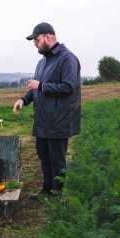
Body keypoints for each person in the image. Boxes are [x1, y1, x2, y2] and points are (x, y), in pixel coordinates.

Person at [13, 22, 81, 200]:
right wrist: (24, 99)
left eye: (36, 40)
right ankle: (46, 190)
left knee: (57, 160)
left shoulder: (68, 58)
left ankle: (56, 193)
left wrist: (41, 85)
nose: (35, 44)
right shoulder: (41, 62)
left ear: (48, 37)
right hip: (42, 119)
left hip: (59, 119)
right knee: (43, 156)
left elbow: (68, 87)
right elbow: (35, 88)